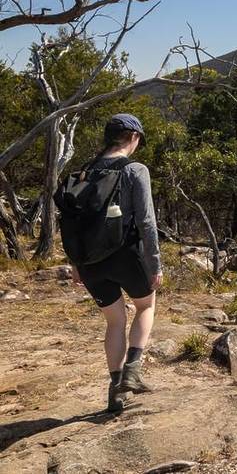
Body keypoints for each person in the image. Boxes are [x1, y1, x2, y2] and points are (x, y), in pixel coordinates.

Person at [69, 113, 162, 413]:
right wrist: (156, 263)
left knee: (115, 322)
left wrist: (75, 264)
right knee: (146, 306)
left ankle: (115, 391)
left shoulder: (84, 172)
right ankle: (133, 371)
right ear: (133, 138)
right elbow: (147, 222)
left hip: (90, 262)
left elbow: (71, 222)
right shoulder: (135, 170)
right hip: (126, 255)